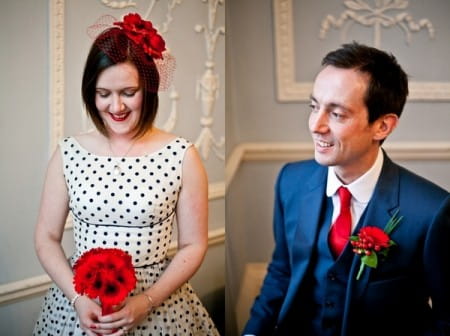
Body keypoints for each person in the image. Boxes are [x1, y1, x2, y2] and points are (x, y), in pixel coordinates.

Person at [243, 42, 450, 335]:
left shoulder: (431, 212)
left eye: (337, 114)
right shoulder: (290, 181)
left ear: (383, 126)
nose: (316, 125)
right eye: (314, 107)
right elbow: (281, 272)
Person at [33, 13, 219, 336]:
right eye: (104, 93)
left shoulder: (182, 155)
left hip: (158, 305)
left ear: (148, 88)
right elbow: (46, 238)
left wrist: (144, 302)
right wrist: (77, 299)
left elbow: (193, 245)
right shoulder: (68, 153)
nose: (116, 106)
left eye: (128, 92)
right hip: (79, 305)